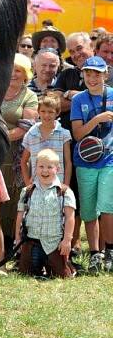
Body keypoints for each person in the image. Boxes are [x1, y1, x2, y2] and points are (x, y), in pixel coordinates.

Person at [70, 55, 113, 274]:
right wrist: (97, 119)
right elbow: (77, 135)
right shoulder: (78, 100)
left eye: (97, 73)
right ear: (83, 74)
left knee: (107, 206)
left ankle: (110, 253)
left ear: (105, 74)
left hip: (110, 160)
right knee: (88, 210)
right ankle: (95, 253)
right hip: (85, 160)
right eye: (88, 73)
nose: (92, 78)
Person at [15, 149, 76, 278]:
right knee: (25, 274)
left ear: (58, 168)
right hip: (32, 242)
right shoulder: (27, 191)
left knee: (61, 276)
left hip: (55, 244)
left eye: (49, 167)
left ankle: (66, 265)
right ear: (35, 168)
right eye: (41, 166)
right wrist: (17, 237)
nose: (45, 170)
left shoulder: (64, 192)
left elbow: (70, 218)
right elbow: (20, 215)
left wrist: (67, 240)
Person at [0, 53, 39, 240]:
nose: (13, 74)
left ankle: (10, 241)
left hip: (15, 154)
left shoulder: (29, 96)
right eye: (11, 69)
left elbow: (26, 127)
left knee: (13, 197)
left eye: (18, 70)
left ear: (26, 74)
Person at [21, 94, 72, 190]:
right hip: (36, 187)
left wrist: (66, 185)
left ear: (57, 113)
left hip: (57, 187)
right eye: (43, 111)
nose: (46, 115)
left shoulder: (64, 134)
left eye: (50, 112)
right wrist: (28, 184)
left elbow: (68, 162)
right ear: (38, 112)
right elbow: (24, 161)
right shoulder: (31, 134)